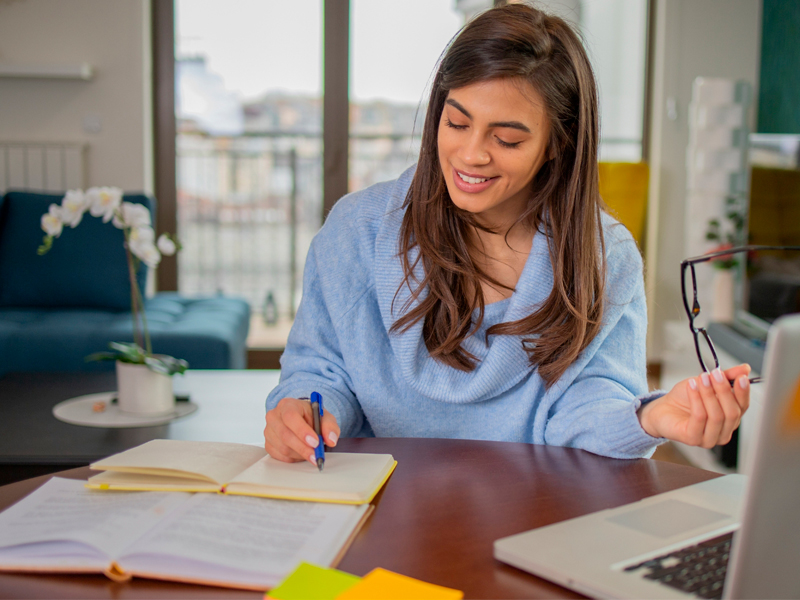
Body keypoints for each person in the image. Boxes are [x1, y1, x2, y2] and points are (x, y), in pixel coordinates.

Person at [264, 3, 750, 465]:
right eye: (456, 122)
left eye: (507, 138)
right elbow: (319, 371)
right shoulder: (356, 231)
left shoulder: (602, 256)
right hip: (381, 505)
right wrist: (304, 409)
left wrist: (649, 416)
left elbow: (587, 406)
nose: (471, 154)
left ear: (557, 143)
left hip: (530, 517)